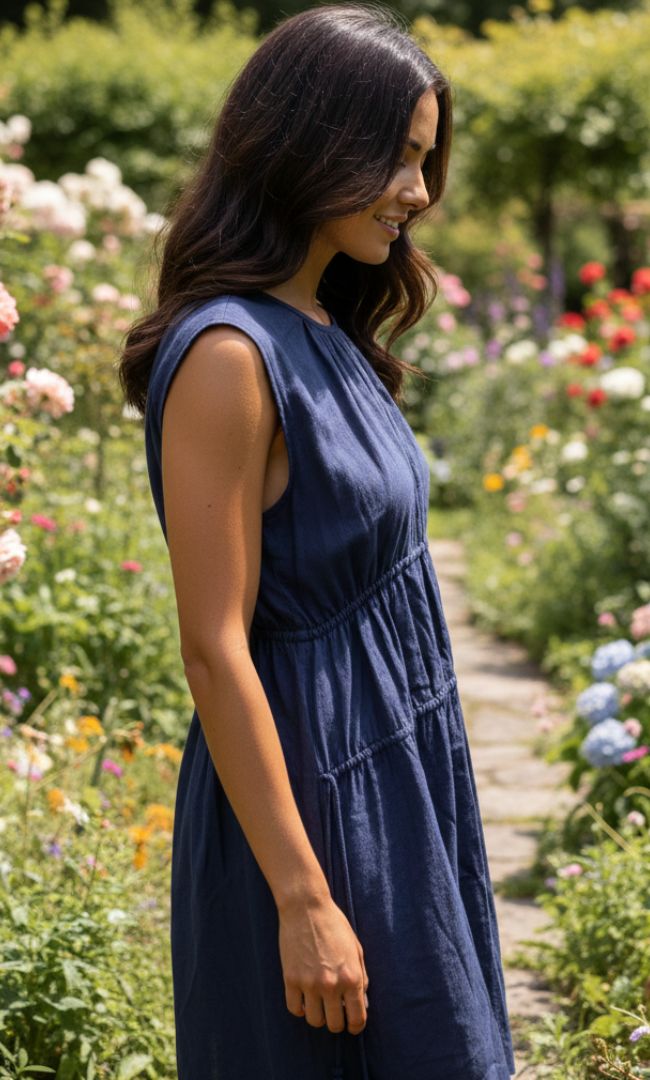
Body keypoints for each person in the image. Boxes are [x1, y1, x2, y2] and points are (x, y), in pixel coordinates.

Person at [118, 3, 517, 1077]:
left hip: (395, 783)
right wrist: (302, 899)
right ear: (306, 142)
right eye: (395, 157)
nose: (418, 192)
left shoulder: (326, 327)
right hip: (316, 802)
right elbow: (214, 645)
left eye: (425, 160)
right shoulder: (228, 356)